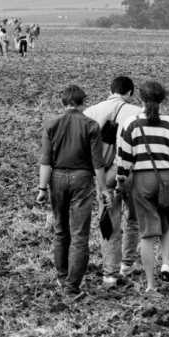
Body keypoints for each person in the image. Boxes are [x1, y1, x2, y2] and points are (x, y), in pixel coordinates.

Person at [116, 80, 169, 297]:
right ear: (162, 99)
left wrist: (120, 181)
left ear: (141, 99)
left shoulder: (131, 123)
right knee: (167, 221)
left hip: (142, 180)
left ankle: (150, 286)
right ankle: (165, 263)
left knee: (146, 233)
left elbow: (124, 158)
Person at [37, 84, 110, 300]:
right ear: (82, 102)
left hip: (57, 178)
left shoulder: (51, 125)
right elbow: (98, 162)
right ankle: (72, 287)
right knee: (80, 234)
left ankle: (62, 277)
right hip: (82, 178)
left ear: (63, 102)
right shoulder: (91, 125)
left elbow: (45, 161)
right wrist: (103, 188)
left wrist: (42, 189)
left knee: (61, 230)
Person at [83, 76, 142, 286]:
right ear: (130, 93)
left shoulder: (91, 111)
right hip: (131, 172)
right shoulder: (137, 112)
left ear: (110, 90)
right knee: (133, 220)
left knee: (109, 222)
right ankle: (127, 264)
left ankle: (109, 273)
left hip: (104, 174)